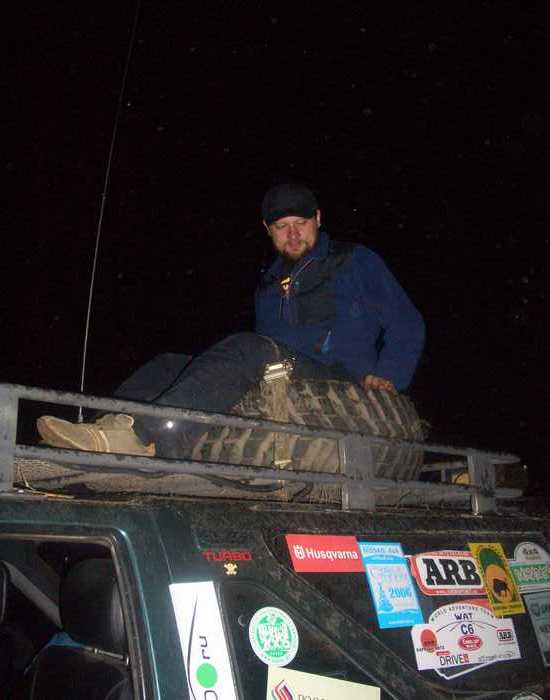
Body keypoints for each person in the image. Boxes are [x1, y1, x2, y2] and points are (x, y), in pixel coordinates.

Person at [37, 183, 425, 458]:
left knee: (246, 348)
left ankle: (142, 437)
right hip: (283, 376)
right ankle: (104, 427)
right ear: (268, 231)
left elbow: (407, 322)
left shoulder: (354, 260)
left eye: (301, 222)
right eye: (281, 226)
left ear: (318, 218)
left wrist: (389, 373)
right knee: (170, 364)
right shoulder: (269, 283)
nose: (293, 234)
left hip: (338, 379)